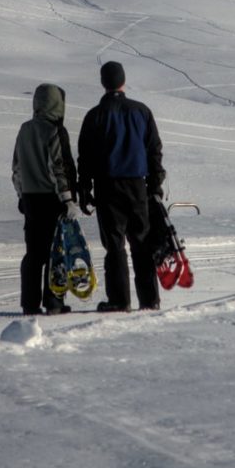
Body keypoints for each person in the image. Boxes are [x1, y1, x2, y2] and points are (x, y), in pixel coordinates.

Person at [76, 60, 165, 312]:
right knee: (141, 242)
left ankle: (119, 300)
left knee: (114, 245)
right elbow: (154, 150)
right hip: (138, 186)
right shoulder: (141, 111)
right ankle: (149, 299)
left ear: (103, 83)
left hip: (107, 187)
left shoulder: (95, 115)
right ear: (123, 81)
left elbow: (85, 156)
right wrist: (156, 184)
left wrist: (84, 189)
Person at [12, 82, 81, 315]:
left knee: (33, 253)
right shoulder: (54, 131)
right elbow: (59, 168)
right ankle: (54, 301)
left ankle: (29, 304)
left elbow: (17, 168)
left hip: (30, 199)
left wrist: (21, 195)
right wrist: (68, 199)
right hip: (51, 199)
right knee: (56, 252)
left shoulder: (24, 129)